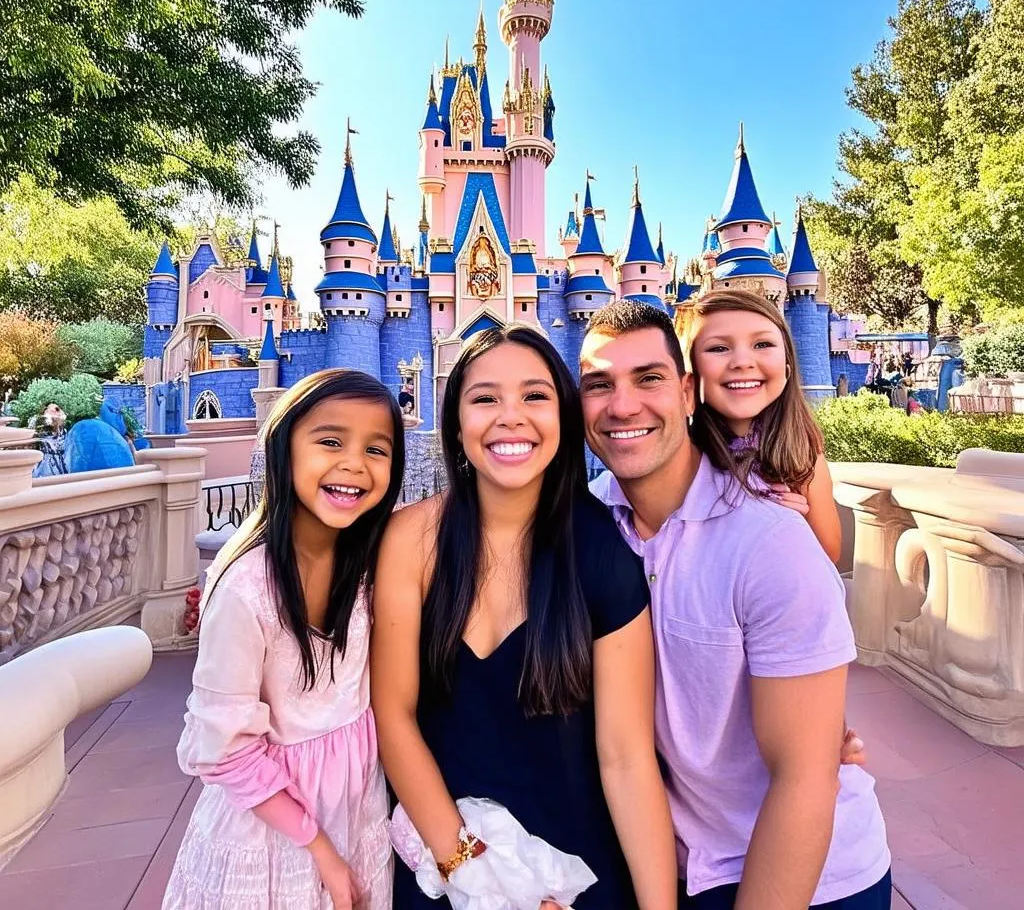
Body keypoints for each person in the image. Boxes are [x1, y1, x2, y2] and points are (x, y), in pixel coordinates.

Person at [580, 301, 891, 910]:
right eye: (599, 384)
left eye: (649, 378)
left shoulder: (770, 540)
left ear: (688, 393)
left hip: (805, 877)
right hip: (667, 864)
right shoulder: (585, 523)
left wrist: (818, 722)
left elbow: (804, 779)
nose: (622, 405)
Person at [372, 324, 678, 909]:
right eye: (485, 398)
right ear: (456, 423)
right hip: (448, 865)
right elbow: (394, 716)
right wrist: (479, 878)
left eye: (535, 396)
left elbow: (627, 758)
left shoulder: (602, 556)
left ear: (563, 420)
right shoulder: (411, 540)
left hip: (572, 879)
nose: (510, 416)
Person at [163, 369, 405, 909]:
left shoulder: (366, 565)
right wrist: (318, 846)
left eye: (377, 448)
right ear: (283, 447)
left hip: (356, 812)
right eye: (329, 441)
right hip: (275, 835)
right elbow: (224, 750)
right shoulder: (248, 589)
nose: (354, 464)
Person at [676, 291, 842, 564]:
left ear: (787, 367)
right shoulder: (680, 457)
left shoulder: (801, 454)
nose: (743, 361)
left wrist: (791, 527)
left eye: (763, 344)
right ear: (689, 374)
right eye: (719, 348)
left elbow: (828, 555)